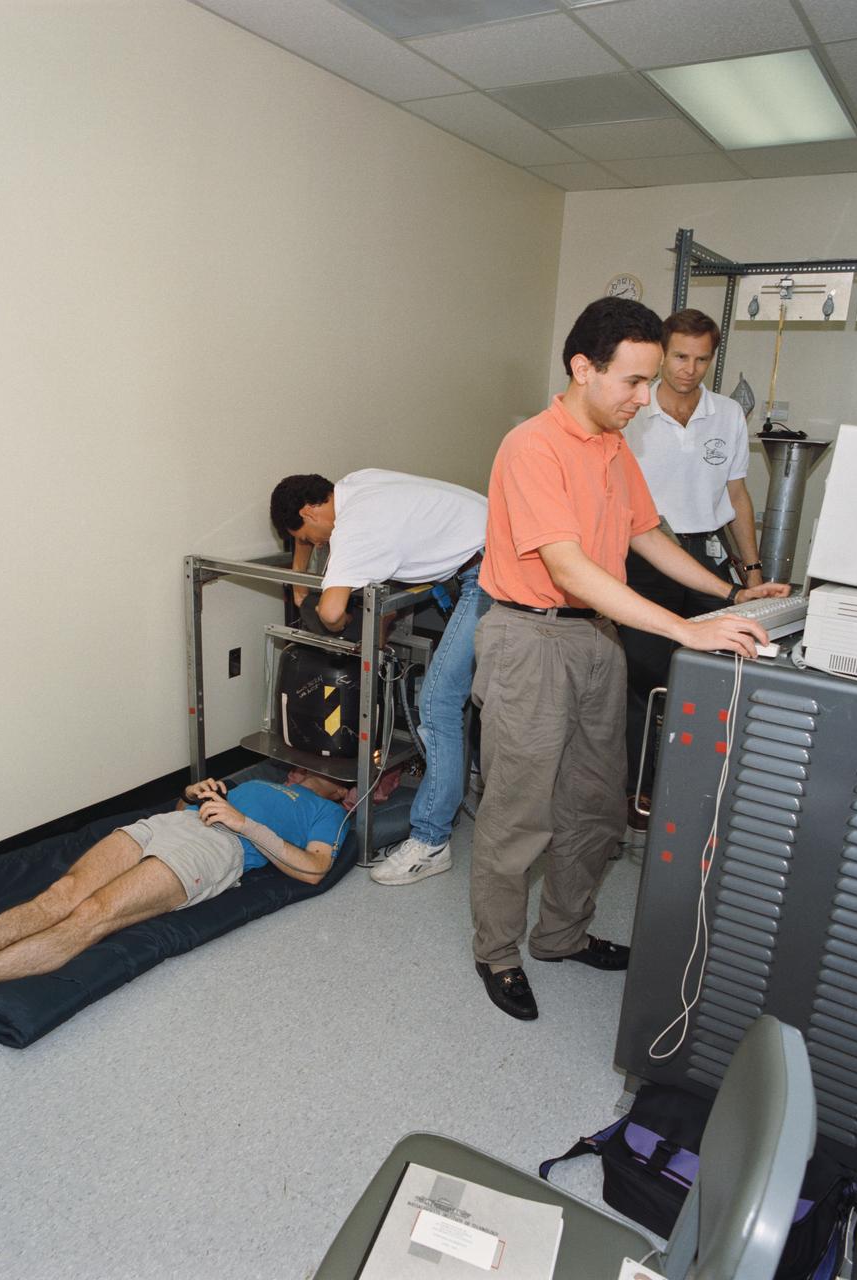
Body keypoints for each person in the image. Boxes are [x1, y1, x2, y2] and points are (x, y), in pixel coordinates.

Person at [470, 297, 789, 1022]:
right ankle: (497, 951)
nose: (647, 399)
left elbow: (647, 535)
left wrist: (733, 593)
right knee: (520, 812)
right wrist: (687, 630)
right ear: (584, 369)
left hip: (595, 640)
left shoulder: (615, 446)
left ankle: (562, 935)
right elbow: (572, 569)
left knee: (594, 804)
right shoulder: (533, 447)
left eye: (652, 382)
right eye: (634, 382)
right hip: (532, 637)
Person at [0, 773, 350, 1029]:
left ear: (343, 789)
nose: (308, 767)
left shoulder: (327, 812)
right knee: (63, 892)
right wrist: (192, 794)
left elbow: (315, 868)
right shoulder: (261, 778)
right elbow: (185, 806)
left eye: (325, 768)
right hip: (175, 823)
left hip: (220, 847)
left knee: (93, 915)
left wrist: (244, 824)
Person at [269, 469, 489, 887]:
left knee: (437, 704)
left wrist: (330, 612)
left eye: (309, 538)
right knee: (464, 691)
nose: (317, 547)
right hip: (494, 549)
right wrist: (300, 584)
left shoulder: (355, 530)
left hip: (491, 575)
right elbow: (319, 544)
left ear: (309, 510)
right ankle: (469, 778)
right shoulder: (359, 483)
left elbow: (332, 613)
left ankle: (431, 841)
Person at [620, 308, 767, 807]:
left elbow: (737, 495)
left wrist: (752, 573)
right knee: (644, 677)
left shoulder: (726, 414)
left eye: (701, 359)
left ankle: (696, 792)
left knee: (713, 675)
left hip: (705, 557)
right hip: (643, 557)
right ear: (663, 353)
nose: (689, 368)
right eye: (680, 356)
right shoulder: (632, 411)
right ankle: (638, 793)